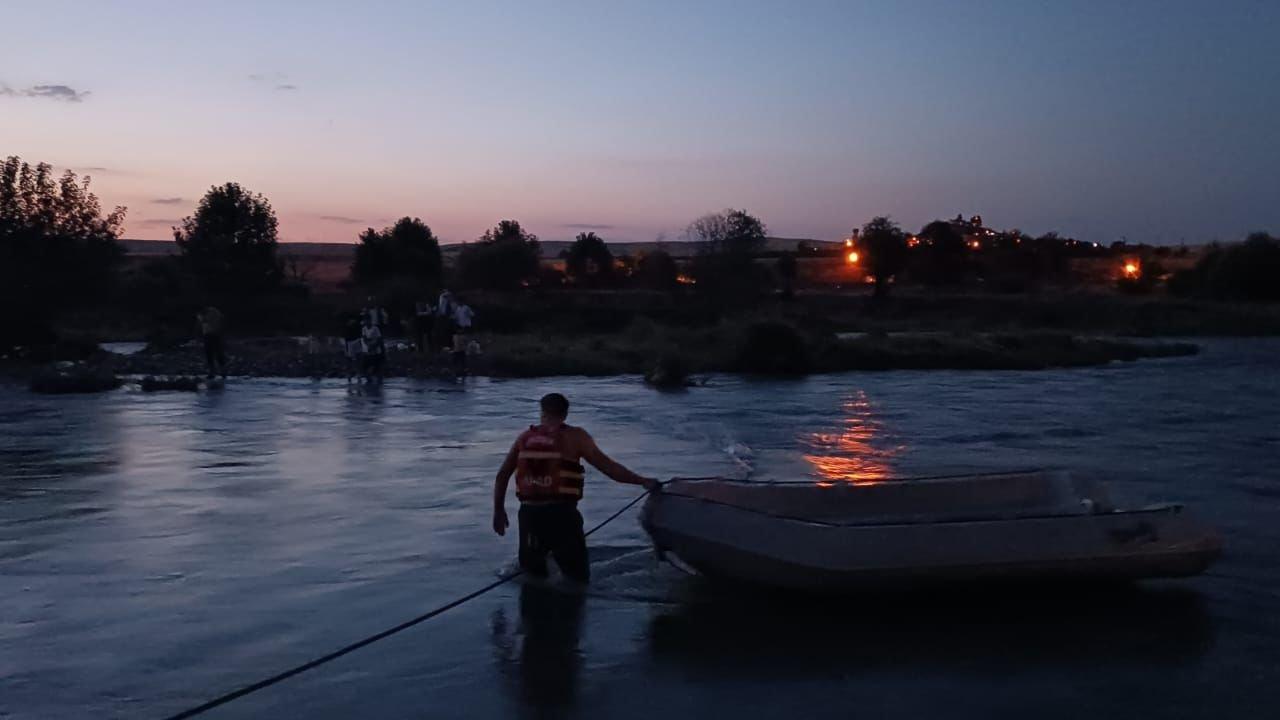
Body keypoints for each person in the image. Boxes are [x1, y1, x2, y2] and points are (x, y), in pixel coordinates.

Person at [492, 393, 659, 583]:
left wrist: (498, 511)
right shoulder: (576, 437)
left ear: (542, 412)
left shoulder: (524, 438)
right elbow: (610, 469)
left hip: (530, 515)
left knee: (532, 577)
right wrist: (643, 481)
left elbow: (502, 475)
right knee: (577, 579)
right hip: (561, 515)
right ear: (565, 414)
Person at [196, 306, 227, 379]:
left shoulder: (210, 313)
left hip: (213, 335)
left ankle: (216, 372)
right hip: (213, 335)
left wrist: (197, 335)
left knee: (212, 353)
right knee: (214, 353)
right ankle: (220, 372)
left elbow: (201, 323)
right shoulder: (215, 312)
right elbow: (222, 321)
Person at [451, 300, 475, 376]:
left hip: (466, 325)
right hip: (460, 325)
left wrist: (468, 313)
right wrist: (453, 318)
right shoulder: (458, 308)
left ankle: (464, 368)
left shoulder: (466, 307)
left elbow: (472, 314)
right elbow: (456, 316)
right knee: (459, 340)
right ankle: (457, 369)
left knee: (464, 339)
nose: (459, 303)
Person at [360, 315, 385, 382]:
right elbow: (364, 338)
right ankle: (369, 377)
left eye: (368, 320)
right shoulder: (364, 329)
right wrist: (368, 345)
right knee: (365, 365)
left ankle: (379, 378)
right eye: (366, 321)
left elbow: (379, 339)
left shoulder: (375, 328)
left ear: (371, 321)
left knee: (377, 365)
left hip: (376, 348)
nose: (367, 322)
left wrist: (374, 346)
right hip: (368, 349)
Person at [342, 316, 362, 381]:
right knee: (350, 360)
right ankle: (349, 374)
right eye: (351, 320)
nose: (352, 321)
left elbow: (360, 336)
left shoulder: (357, 327)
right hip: (350, 343)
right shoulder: (347, 328)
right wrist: (347, 348)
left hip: (356, 341)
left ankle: (358, 374)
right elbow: (346, 339)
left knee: (357, 359)